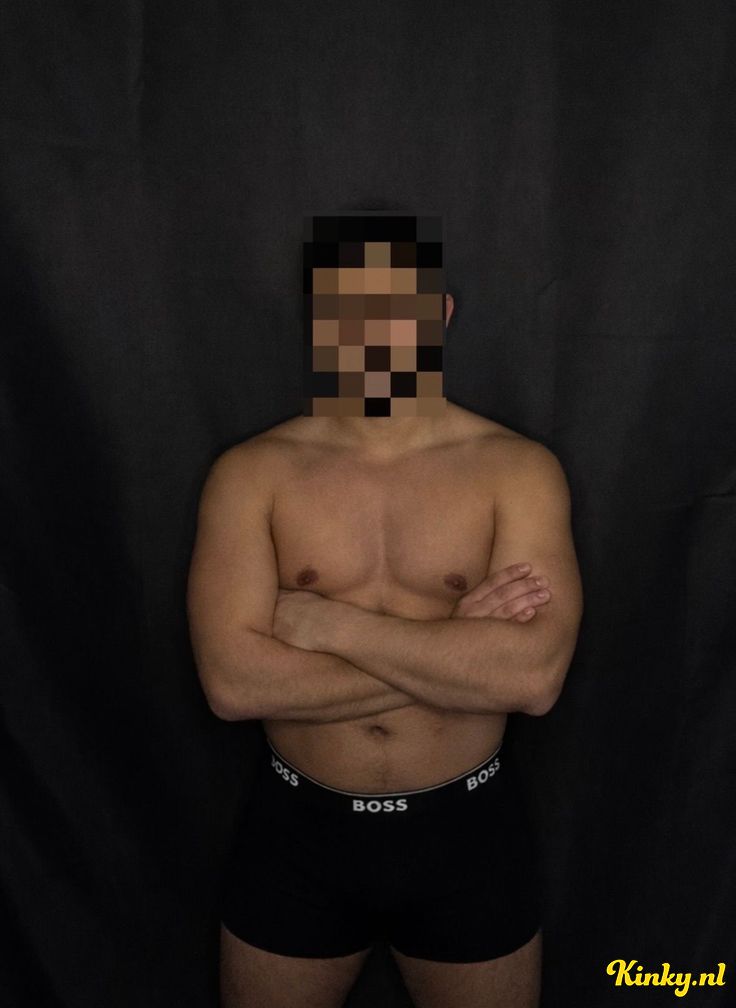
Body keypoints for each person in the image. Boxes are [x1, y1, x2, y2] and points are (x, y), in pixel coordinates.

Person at [186, 214, 584, 1008]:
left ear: (439, 314)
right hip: (297, 834)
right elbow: (233, 685)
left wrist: (328, 625)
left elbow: (533, 679)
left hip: (467, 836)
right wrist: (457, 650)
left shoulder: (517, 470)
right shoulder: (253, 473)